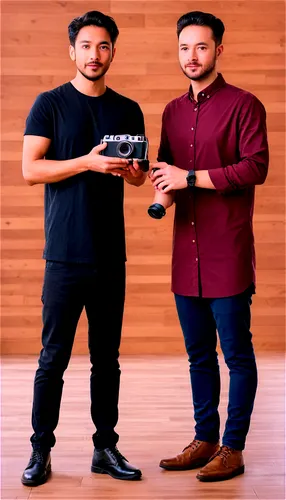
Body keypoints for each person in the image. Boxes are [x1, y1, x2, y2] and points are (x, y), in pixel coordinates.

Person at [21, 10, 147, 486]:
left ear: (113, 50)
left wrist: (133, 175)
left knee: (107, 359)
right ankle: (40, 452)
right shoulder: (49, 104)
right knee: (52, 357)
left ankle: (105, 447)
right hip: (63, 257)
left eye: (104, 46)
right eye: (87, 46)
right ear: (72, 50)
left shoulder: (127, 109)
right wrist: (87, 163)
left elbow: (135, 176)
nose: (95, 55)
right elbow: (31, 170)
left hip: (110, 254)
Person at [150, 11, 269, 482]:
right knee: (198, 354)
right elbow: (168, 173)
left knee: (237, 355)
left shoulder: (245, 105)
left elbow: (254, 166)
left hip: (227, 252)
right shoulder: (172, 112)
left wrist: (191, 177)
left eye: (201, 47)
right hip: (186, 252)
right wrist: (153, 183)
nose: (192, 56)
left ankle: (233, 447)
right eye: (184, 48)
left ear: (219, 49)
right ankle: (205, 439)